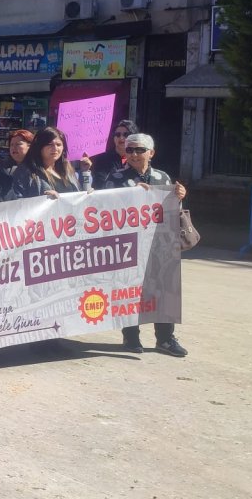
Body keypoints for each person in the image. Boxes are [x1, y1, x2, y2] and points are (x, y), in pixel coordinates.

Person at [103, 133, 189, 357]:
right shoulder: (116, 177)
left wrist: (180, 196)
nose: (133, 154)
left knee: (163, 289)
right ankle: (131, 336)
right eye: (129, 149)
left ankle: (165, 338)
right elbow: (104, 209)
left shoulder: (162, 178)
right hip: (128, 245)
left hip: (159, 244)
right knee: (129, 290)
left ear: (151, 153)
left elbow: (172, 210)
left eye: (139, 150)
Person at [10, 127, 91, 198]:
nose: (55, 148)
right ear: (39, 147)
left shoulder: (67, 170)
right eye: (49, 144)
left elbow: (79, 197)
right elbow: (17, 203)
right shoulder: (25, 172)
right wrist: (42, 200)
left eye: (58, 144)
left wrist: (85, 173)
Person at [91, 120, 138, 187]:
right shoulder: (103, 159)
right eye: (117, 134)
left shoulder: (138, 157)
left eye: (126, 134)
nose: (121, 138)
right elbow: (99, 184)